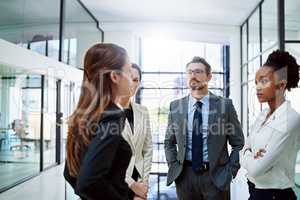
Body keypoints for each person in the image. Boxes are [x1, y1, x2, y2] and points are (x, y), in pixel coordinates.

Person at [164, 56, 244, 200]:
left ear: (209, 76)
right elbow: (169, 142)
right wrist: (173, 165)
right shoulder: (176, 106)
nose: (193, 75)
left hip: (216, 178)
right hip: (185, 178)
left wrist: (230, 171)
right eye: (190, 72)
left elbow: (238, 143)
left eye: (198, 71)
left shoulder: (225, 106)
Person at [63, 43, 134, 200]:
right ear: (115, 77)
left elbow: (70, 174)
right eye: (129, 71)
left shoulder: (87, 116)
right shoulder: (112, 117)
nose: (132, 79)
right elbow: (88, 182)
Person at [240, 50, 300, 200]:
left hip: (275, 196)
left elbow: (255, 169)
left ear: (281, 85)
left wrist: (248, 152)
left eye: (264, 81)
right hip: (254, 192)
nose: (258, 87)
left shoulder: (290, 118)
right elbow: (244, 147)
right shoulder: (262, 115)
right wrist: (250, 152)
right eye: (256, 82)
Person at [119, 63, 153, 200]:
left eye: (136, 80)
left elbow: (148, 149)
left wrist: (143, 184)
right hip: (116, 182)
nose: (132, 84)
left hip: (138, 179)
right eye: (128, 78)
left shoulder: (143, 111)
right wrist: (132, 185)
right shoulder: (106, 112)